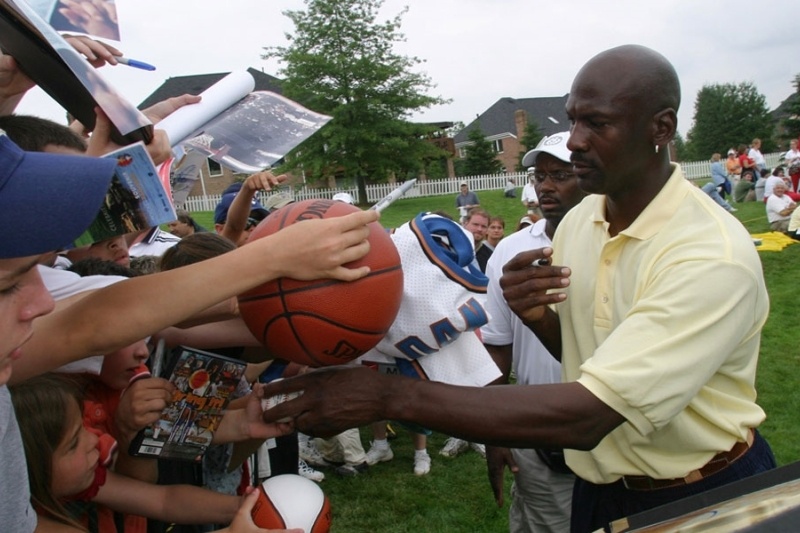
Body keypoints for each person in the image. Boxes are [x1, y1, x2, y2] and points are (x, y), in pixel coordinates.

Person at [262, 45, 777, 533]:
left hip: (699, 493)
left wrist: (386, 395)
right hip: (598, 487)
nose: (574, 140)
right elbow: (592, 360)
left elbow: (592, 414)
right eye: (573, 119)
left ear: (660, 128)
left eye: (597, 123)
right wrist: (539, 319)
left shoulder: (709, 255)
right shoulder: (583, 221)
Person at [10, 373, 271, 532]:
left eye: (84, 427)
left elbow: (164, 500)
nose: (94, 440)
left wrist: (246, 507)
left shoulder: (83, 481)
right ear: (30, 470)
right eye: (73, 443)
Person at [483, 131, 586, 533]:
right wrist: (493, 433)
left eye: (560, 175)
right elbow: (496, 348)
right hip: (533, 430)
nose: (545, 186)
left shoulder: (614, 243)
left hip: (599, 425)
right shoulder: (510, 250)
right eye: (539, 176)